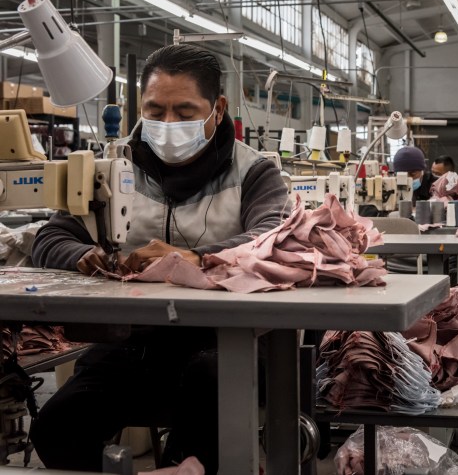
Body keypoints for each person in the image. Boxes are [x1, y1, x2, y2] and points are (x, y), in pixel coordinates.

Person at [29, 44, 291, 473]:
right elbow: (52, 236)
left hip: (229, 342)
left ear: (218, 109)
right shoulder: (114, 167)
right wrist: (83, 255)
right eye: (156, 110)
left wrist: (192, 257)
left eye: (185, 112)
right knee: (56, 428)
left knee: (205, 409)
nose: (168, 124)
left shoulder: (254, 172)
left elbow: (273, 237)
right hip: (140, 342)